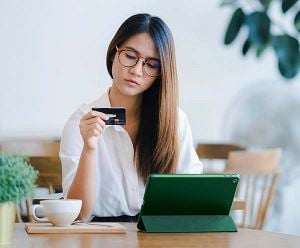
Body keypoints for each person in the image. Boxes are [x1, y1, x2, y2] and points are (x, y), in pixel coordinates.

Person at [60, 13, 202, 222]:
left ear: (162, 73)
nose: (136, 71)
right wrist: (90, 149)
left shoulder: (175, 121)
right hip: (100, 236)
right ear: (113, 54)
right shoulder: (81, 122)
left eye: (151, 64)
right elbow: (79, 215)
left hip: (158, 235)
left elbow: (193, 195)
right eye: (130, 56)